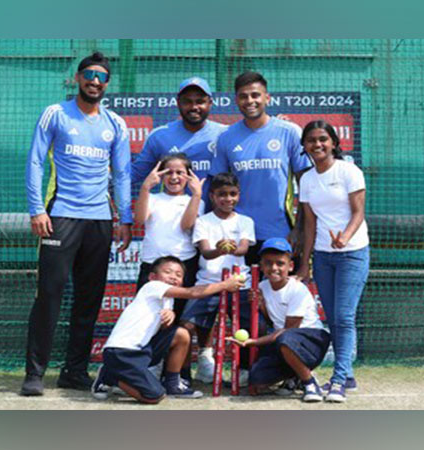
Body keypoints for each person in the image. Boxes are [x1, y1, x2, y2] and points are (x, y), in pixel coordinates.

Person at [21, 52, 132, 396]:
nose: (94, 81)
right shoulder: (55, 114)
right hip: (61, 216)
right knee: (50, 295)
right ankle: (35, 374)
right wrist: (37, 209)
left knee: (89, 299)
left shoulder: (116, 124)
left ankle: (74, 371)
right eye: (89, 74)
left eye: (101, 76)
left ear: (107, 83)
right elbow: (36, 161)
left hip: (99, 220)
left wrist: (125, 218)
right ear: (77, 78)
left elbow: (123, 174)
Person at [91, 256, 244, 404]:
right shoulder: (152, 287)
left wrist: (170, 315)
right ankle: (109, 375)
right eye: (168, 272)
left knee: (181, 334)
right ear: (152, 276)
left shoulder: (168, 301)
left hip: (142, 351)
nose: (173, 277)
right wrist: (225, 284)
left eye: (178, 275)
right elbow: (192, 293)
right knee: (154, 397)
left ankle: (173, 384)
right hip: (121, 352)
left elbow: (163, 332)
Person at [296, 120, 369, 403]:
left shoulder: (349, 171)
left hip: (353, 252)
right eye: (311, 140)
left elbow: (358, 213)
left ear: (334, 143)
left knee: (343, 316)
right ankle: (347, 374)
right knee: (334, 318)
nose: (317, 145)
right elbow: (310, 226)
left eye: (323, 139)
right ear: (305, 146)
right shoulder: (306, 179)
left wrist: (345, 238)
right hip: (324, 257)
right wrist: (305, 264)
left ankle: (338, 380)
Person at [209, 71, 312, 266]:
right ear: (236, 100)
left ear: (267, 98)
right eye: (243, 96)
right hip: (239, 236)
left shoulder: (289, 132)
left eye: (255, 95)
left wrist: (300, 229)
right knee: (242, 294)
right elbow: (216, 188)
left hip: (282, 233)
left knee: (280, 295)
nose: (250, 101)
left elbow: (307, 184)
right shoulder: (226, 137)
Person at [180, 172, 263, 386]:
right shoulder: (203, 222)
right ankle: (187, 372)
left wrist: (233, 248)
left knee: (255, 325)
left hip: (238, 284)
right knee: (186, 326)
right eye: (222, 195)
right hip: (207, 283)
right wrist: (219, 250)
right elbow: (206, 252)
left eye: (233, 194)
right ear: (212, 196)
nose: (228, 199)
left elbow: (244, 247)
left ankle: (245, 369)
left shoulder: (245, 221)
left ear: (239, 195)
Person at [227, 237, 330, 403]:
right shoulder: (261, 286)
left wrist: (253, 342)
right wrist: (262, 306)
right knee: (257, 378)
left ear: (290, 267)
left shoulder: (297, 289)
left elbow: (289, 329)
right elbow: (273, 322)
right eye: (268, 263)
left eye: (280, 263)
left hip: (312, 340)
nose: (273, 268)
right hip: (283, 341)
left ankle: (309, 383)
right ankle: (294, 376)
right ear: (261, 266)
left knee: (285, 339)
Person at [131, 77, 227, 204]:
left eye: (200, 101)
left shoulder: (224, 134)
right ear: (178, 103)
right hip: (174, 218)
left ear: (210, 103)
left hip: (215, 217)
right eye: (187, 101)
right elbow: (135, 174)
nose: (194, 107)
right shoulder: (159, 136)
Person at [134, 153, 204, 322]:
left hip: (184, 265)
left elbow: (186, 225)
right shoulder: (151, 198)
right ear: (161, 175)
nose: (174, 177)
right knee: (147, 319)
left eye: (180, 173)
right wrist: (145, 188)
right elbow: (139, 220)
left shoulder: (196, 201)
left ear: (188, 176)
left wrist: (196, 195)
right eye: (168, 172)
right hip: (153, 264)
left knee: (178, 319)